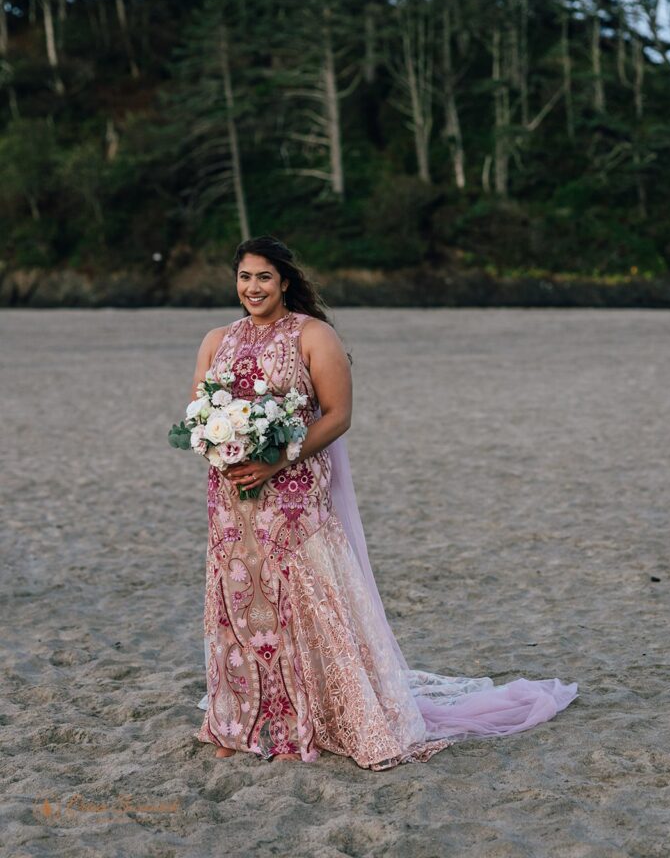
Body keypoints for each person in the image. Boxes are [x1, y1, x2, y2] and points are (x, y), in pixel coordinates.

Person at [191, 235, 578, 769]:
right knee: (239, 602)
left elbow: (337, 414)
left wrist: (279, 459)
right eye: (244, 277)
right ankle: (245, 717)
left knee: (301, 600)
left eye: (263, 277)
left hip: (293, 493)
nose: (252, 288)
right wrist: (223, 446)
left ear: (284, 282)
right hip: (232, 495)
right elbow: (201, 414)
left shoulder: (312, 335)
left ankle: (312, 716)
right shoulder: (216, 339)